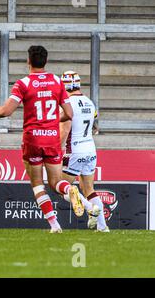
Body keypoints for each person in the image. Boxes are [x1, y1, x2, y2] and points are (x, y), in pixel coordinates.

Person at [0, 46, 84, 233]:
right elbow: (69, 113)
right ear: (45, 61)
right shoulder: (56, 81)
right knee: (56, 183)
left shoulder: (23, 83)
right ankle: (69, 190)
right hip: (52, 138)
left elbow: (6, 111)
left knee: (37, 184)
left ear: (28, 61)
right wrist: (52, 119)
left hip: (33, 140)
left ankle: (55, 225)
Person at [60, 71, 109, 232]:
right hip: (90, 149)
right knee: (89, 189)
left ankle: (89, 208)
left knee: (61, 186)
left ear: (64, 85)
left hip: (75, 150)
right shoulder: (89, 102)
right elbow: (95, 126)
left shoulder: (68, 103)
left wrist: (54, 149)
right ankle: (102, 227)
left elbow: (65, 128)